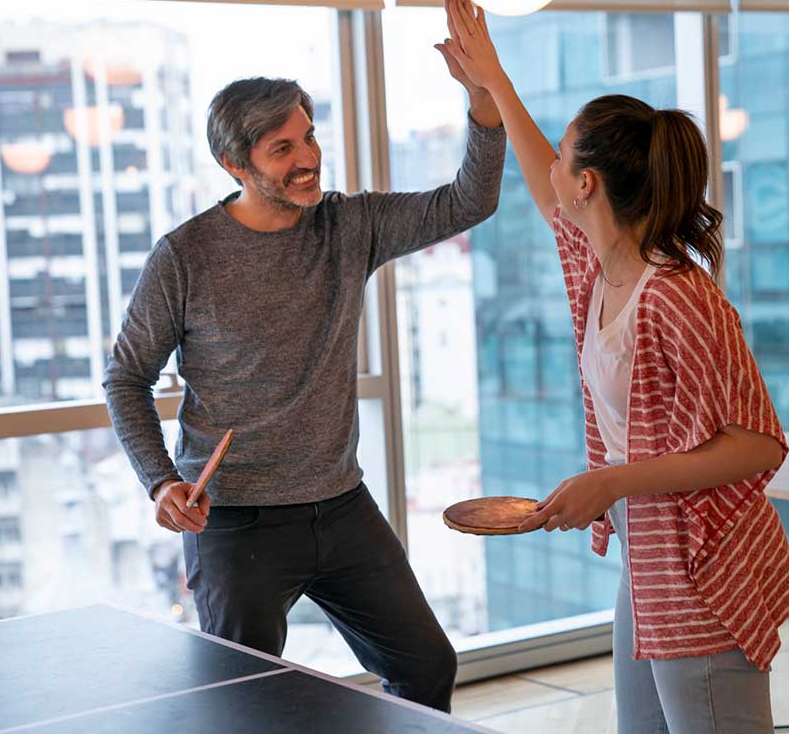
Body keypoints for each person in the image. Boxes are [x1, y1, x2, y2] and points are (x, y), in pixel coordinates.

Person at [437, 0, 789, 732]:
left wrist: (610, 481)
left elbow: (759, 442)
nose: (555, 174)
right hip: (651, 558)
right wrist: (494, 82)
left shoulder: (675, 296)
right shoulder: (599, 264)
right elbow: (543, 181)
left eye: (569, 159)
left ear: (589, 185)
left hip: (700, 568)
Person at [103, 50, 506, 712]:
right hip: (235, 521)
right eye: (282, 147)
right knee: (243, 705)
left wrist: (482, 100)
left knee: (428, 665)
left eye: (309, 136)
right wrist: (161, 479)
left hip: (341, 504)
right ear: (236, 165)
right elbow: (126, 378)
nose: (307, 156)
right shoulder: (185, 256)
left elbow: (471, 200)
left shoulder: (349, 226)